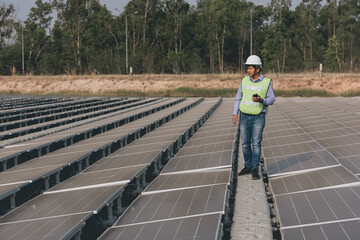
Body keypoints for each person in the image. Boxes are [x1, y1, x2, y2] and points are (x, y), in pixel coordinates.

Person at [232, 55, 275, 180]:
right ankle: (248, 166)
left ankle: (255, 169)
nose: (248, 70)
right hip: (244, 117)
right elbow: (238, 98)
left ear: (257, 69)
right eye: (247, 68)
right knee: (245, 144)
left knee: (256, 144)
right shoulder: (244, 81)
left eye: (250, 68)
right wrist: (235, 113)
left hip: (258, 117)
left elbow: (272, 100)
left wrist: (261, 100)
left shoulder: (266, 82)